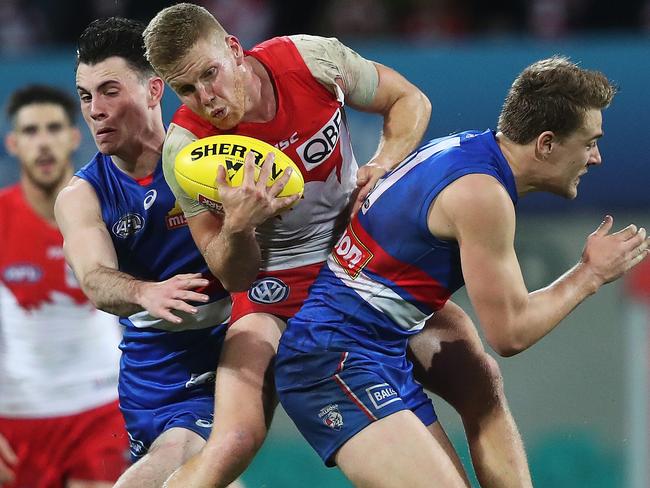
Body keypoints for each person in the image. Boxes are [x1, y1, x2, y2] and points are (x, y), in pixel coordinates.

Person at [144, 3, 531, 487]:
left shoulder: (311, 61)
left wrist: (385, 162)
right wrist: (239, 226)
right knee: (234, 442)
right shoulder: (184, 149)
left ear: (234, 50)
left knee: (481, 381)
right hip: (270, 293)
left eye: (210, 75)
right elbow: (231, 275)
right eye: (186, 89)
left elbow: (410, 100)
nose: (207, 99)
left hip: (358, 267)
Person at [274, 56, 649, 486]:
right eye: (589, 143)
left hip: (377, 347)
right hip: (330, 359)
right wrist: (589, 274)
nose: (596, 158)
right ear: (546, 144)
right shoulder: (482, 196)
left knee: (481, 381)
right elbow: (510, 333)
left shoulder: (469, 148)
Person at [53, 18, 242, 488]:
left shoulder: (213, 150)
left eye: (110, 91)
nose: (94, 110)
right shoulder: (83, 195)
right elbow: (95, 278)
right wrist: (145, 292)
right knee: (175, 458)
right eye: (85, 96)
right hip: (165, 373)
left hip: (251, 335)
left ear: (155, 89)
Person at [0, 85, 127, 487]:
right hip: (16, 415)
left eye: (54, 128)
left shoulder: (114, 212)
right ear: (13, 143)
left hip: (101, 408)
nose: (43, 143)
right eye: (31, 131)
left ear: (74, 137)